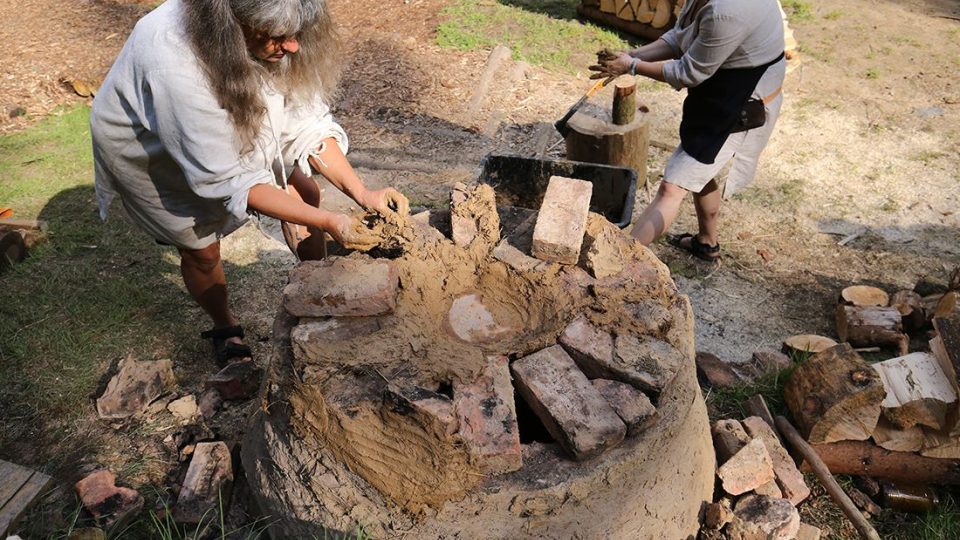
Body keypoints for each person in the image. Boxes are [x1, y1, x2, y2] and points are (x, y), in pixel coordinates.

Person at [91, 0, 409, 364]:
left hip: (231, 114)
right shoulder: (175, 62)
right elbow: (229, 179)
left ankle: (316, 289)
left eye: (296, 34)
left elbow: (308, 124)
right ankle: (225, 326)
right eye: (277, 36)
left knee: (305, 192)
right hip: (155, 148)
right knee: (201, 249)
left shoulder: (275, 36)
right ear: (232, 23)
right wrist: (333, 222)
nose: (293, 47)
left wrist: (362, 193)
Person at [589, 0, 785, 262]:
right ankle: (707, 243)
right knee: (699, 169)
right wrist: (632, 55)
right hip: (720, 88)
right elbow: (681, 36)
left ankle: (615, 262)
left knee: (672, 188)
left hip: (742, 101)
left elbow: (687, 73)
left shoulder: (729, 11)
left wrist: (632, 66)